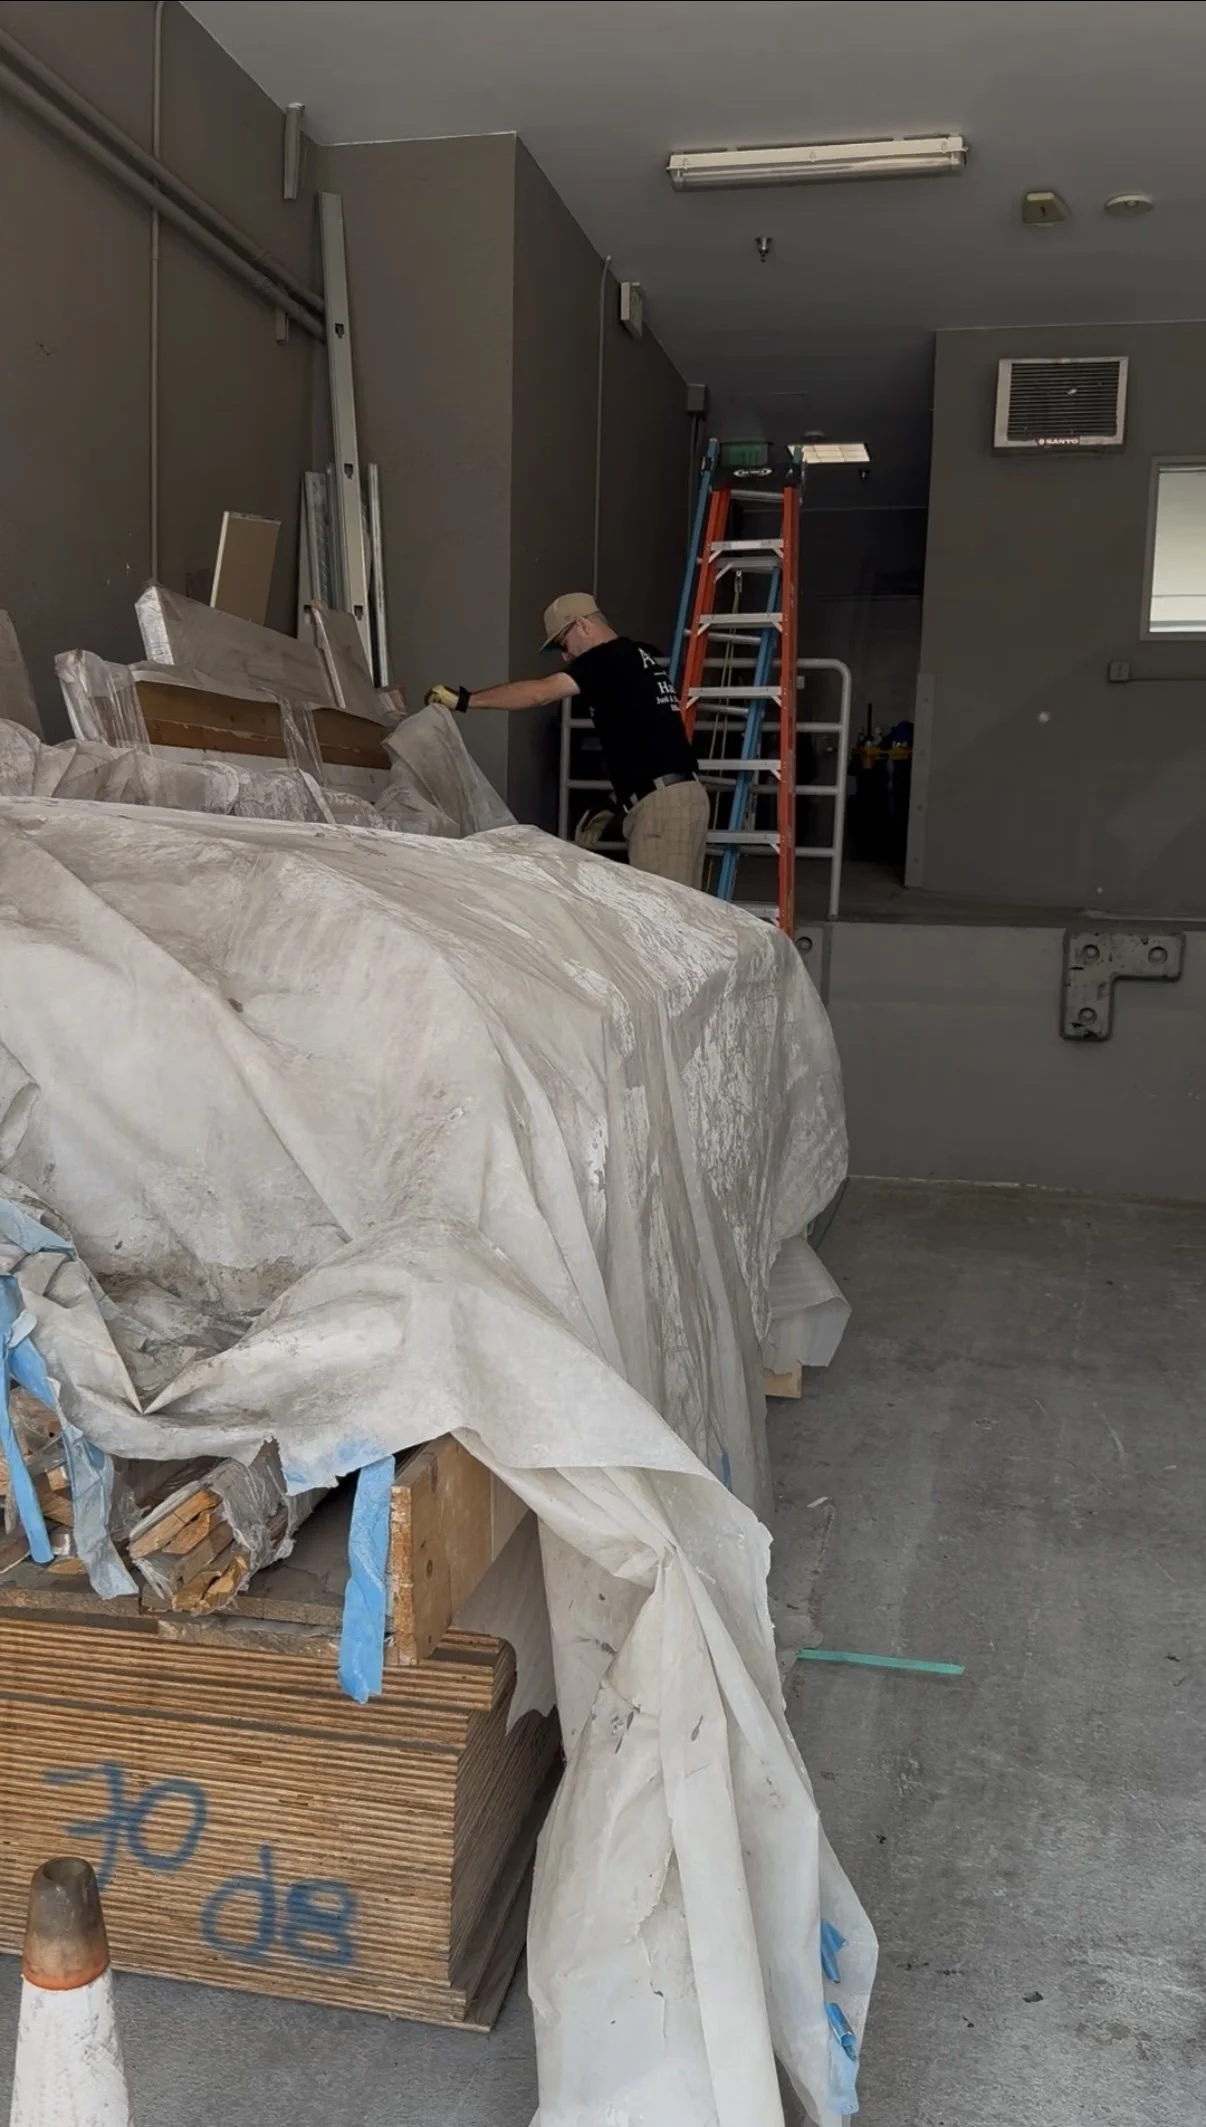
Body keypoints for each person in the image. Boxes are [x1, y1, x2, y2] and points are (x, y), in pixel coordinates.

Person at [428, 593, 710, 890]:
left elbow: (540, 693)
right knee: (682, 912)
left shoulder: (605, 657)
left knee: (661, 917)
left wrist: (466, 700)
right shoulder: (639, 656)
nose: (565, 656)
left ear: (583, 625)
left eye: (563, 643)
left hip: (662, 807)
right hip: (677, 797)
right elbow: (644, 734)